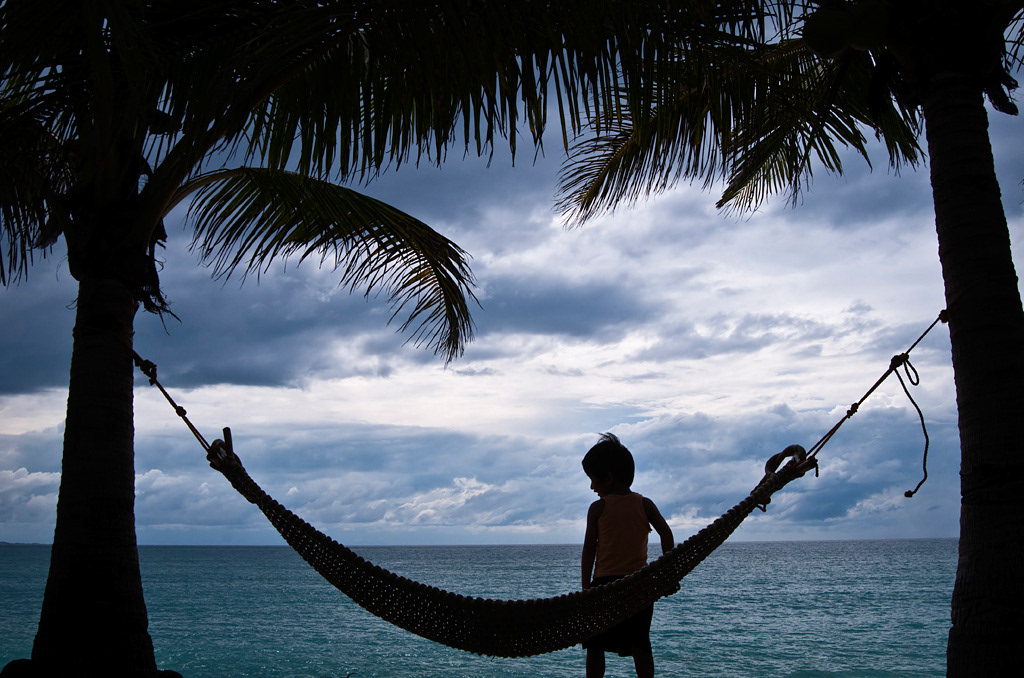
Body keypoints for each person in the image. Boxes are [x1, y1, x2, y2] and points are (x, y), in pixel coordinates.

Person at [581, 432, 674, 678]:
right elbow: (666, 534)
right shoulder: (645, 504)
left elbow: (589, 549)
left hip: (604, 586)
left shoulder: (598, 508)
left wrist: (585, 587)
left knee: (595, 645)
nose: (591, 487)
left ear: (608, 478)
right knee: (641, 646)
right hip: (638, 587)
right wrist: (669, 572)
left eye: (593, 480)